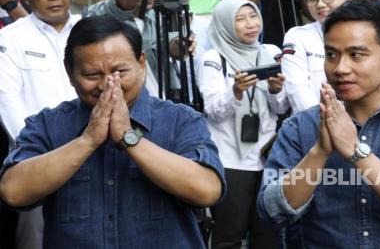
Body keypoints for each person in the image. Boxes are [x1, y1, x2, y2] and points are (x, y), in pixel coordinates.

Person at [0, 15, 226, 248]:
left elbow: (207, 191)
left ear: (141, 64)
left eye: (119, 72)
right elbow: (13, 192)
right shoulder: (48, 125)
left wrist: (130, 139)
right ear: (70, 73)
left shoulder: (180, 119)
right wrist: (87, 141)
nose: (107, 84)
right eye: (92, 75)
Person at [257, 0, 380, 248]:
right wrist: (319, 153)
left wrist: (356, 153)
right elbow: (271, 211)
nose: (340, 68)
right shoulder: (299, 128)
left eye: (356, 55)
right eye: (331, 55)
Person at [197, 0, 288, 248]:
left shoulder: (270, 52)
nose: (250, 24)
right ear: (225, 24)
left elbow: (280, 108)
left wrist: (275, 90)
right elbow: (213, 111)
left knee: (268, 233)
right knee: (229, 234)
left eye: (253, 16)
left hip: (267, 155)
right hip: (230, 159)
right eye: (240, 19)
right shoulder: (213, 58)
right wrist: (235, 91)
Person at [0, 0, 80, 248]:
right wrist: (48, 155)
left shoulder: (89, 29)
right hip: (37, 163)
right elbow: (8, 104)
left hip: (96, 158)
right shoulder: (11, 39)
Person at [281, 0, 354, 114]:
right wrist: (326, 121)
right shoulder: (297, 36)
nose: (320, 4)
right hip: (314, 125)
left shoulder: (367, 32)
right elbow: (297, 89)